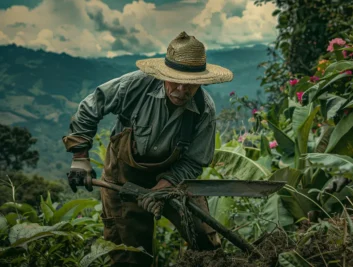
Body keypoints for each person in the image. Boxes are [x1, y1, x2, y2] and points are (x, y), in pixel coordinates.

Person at [62, 31, 233, 266]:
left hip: (174, 179)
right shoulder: (134, 86)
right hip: (123, 175)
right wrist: (80, 158)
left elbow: (194, 161)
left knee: (205, 240)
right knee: (131, 253)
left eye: (191, 84)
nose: (182, 90)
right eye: (176, 81)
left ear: (201, 81)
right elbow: (92, 106)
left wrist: (164, 186)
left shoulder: (204, 110)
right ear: (164, 75)